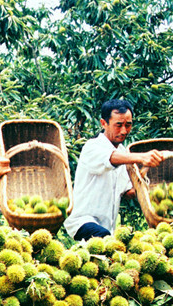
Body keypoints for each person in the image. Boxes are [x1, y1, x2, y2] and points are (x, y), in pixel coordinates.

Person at [64, 99, 164, 240]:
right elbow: (110, 158)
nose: (124, 131)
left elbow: (128, 192)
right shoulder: (92, 147)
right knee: (104, 237)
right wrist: (142, 157)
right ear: (104, 123)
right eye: (118, 125)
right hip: (82, 221)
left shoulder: (122, 153)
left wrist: (153, 191)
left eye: (128, 125)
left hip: (107, 228)